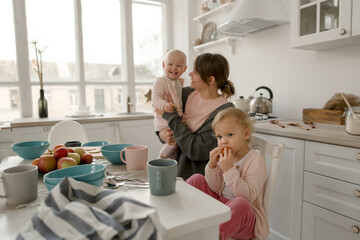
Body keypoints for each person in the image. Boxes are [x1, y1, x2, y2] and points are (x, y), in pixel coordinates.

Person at [186, 108, 269, 240]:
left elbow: (247, 197)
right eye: (219, 136)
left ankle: (215, 236)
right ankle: (184, 219)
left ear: (246, 134)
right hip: (221, 207)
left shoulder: (255, 160)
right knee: (196, 179)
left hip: (244, 220)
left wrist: (229, 169)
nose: (223, 141)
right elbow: (215, 187)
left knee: (240, 204)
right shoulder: (225, 157)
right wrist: (212, 166)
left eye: (229, 135)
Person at [157, 53, 235, 180]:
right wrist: (162, 135)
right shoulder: (185, 94)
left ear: (210, 80)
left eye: (196, 72)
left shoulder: (225, 113)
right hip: (172, 174)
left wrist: (172, 117)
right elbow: (163, 120)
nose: (190, 74)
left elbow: (196, 150)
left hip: (197, 182)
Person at [152, 49, 187, 159]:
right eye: (170, 64)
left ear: (184, 68)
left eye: (179, 65)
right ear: (163, 65)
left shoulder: (179, 83)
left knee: (175, 145)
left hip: (173, 119)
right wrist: (164, 105)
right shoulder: (160, 81)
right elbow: (155, 98)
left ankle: (168, 163)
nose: (174, 68)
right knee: (175, 140)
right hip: (163, 119)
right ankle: (161, 158)